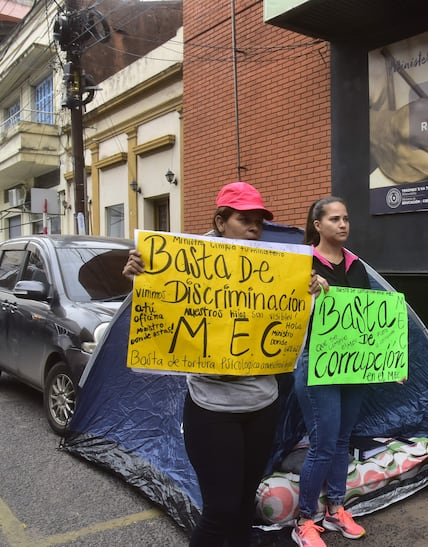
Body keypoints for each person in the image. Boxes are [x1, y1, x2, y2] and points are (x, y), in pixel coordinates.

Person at [122, 181, 325, 546]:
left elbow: (292, 335)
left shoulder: (277, 271)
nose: (253, 228)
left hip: (262, 406)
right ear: (220, 221)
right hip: (211, 410)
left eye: (258, 222)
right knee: (220, 511)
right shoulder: (187, 263)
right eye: (243, 219)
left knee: (244, 506)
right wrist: (142, 277)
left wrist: (309, 296)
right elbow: (163, 316)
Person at [291, 196, 371, 547]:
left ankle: (336, 508)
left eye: (346, 218)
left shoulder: (357, 267)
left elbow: (371, 319)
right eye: (335, 219)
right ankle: (304, 519)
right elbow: (282, 314)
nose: (343, 224)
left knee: (342, 441)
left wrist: (388, 361)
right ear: (317, 225)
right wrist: (306, 293)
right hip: (315, 365)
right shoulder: (300, 264)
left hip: (353, 366)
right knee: (323, 444)